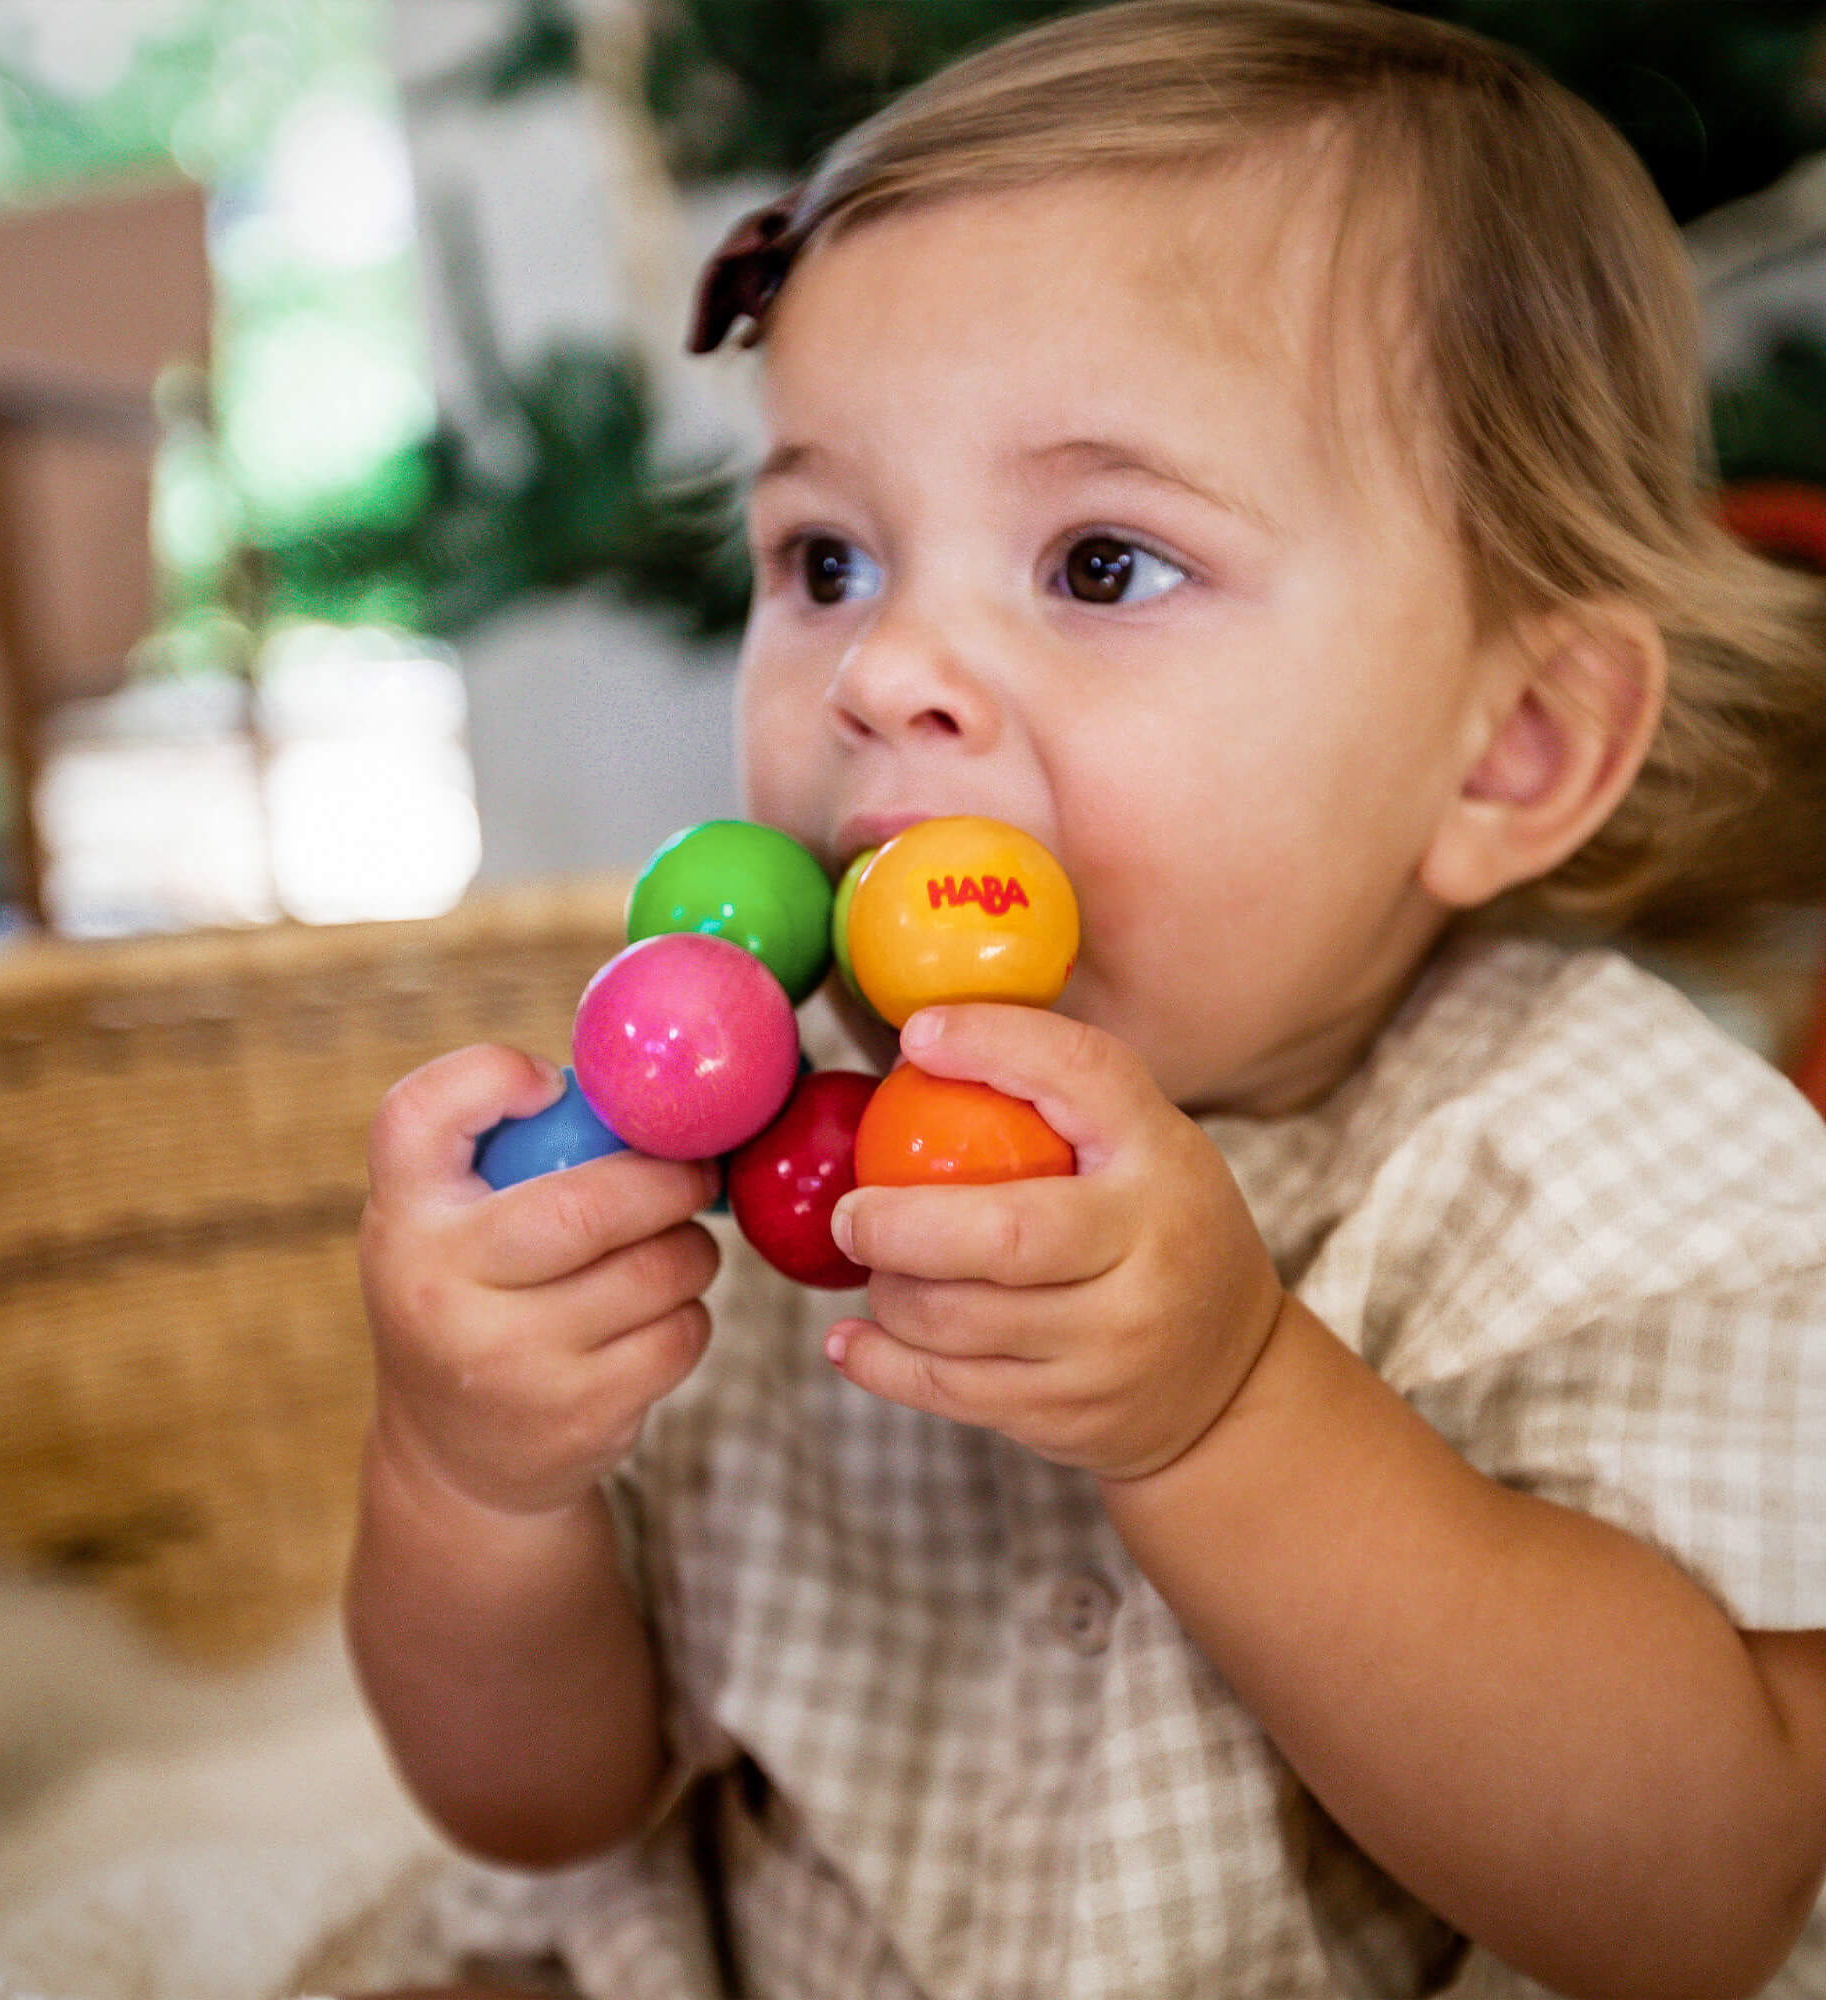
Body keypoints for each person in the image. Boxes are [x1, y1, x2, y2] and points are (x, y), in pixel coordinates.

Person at [345, 4, 1826, 1994]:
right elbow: (549, 1805)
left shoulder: (1608, 1165)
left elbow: (1693, 1901)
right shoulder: (751, 1147)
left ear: (1510, 752)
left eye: (1105, 561)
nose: (882, 674)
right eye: (827, 557)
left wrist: (1224, 1414)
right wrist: (470, 1475)